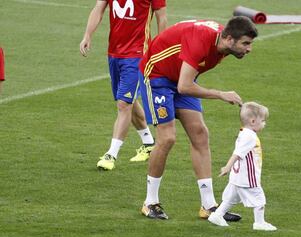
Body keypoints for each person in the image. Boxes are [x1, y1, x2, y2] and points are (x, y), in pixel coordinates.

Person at [138, 16, 258, 220]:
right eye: (245, 43)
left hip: (182, 76)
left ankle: (209, 206)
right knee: (167, 138)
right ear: (229, 39)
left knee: (200, 134)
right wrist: (220, 94)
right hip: (157, 76)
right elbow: (184, 87)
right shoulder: (200, 42)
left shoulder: (223, 43)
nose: (249, 49)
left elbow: (185, 80)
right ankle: (150, 202)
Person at [80, 0, 167, 170]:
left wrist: (159, 50)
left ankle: (111, 154)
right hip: (114, 53)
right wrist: (87, 35)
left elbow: (161, 18)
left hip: (137, 54)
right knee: (128, 100)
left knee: (124, 103)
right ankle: (149, 143)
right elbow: (99, 8)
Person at [208, 102, 277, 231]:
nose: (264, 123)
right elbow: (238, 154)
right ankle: (259, 223)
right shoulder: (250, 136)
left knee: (230, 198)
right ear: (252, 121)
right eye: (262, 121)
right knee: (259, 199)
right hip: (247, 177)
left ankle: (217, 215)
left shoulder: (243, 132)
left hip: (238, 176)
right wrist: (227, 167)